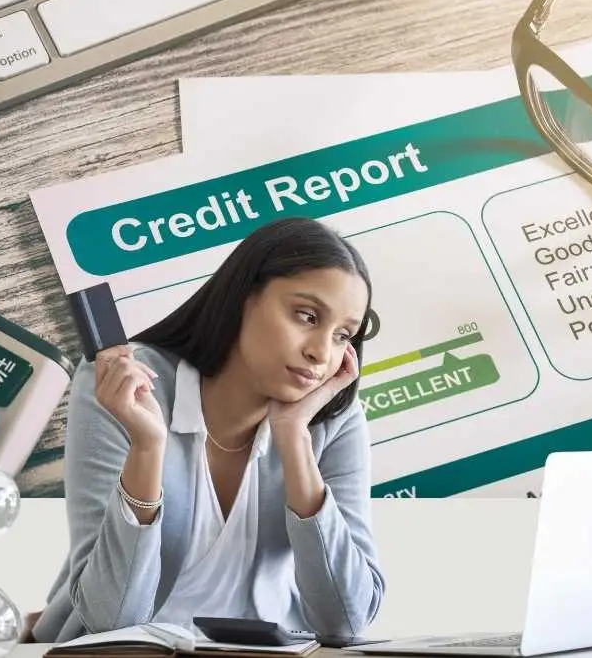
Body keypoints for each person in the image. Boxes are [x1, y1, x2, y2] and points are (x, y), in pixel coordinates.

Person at [30, 216, 386, 643]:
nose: (320, 352)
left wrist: (294, 439)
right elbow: (110, 619)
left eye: (343, 335)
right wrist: (147, 447)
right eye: (307, 316)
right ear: (243, 298)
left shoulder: (333, 419)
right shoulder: (128, 386)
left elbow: (345, 621)